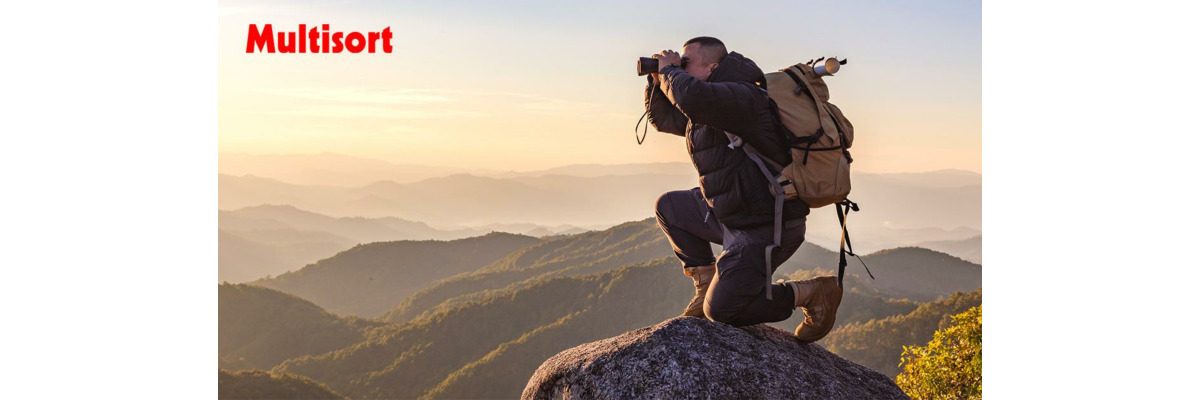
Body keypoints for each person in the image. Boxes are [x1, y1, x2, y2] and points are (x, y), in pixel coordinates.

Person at [646, 36, 842, 342]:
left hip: (765, 225)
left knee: (723, 311)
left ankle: (812, 292)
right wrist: (658, 80)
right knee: (669, 207)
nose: (680, 67)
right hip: (731, 211)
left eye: (687, 63)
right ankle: (705, 281)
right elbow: (666, 119)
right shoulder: (712, 103)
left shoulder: (743, 96)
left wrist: (671, 72)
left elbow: (693, 99)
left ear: (712, 67)